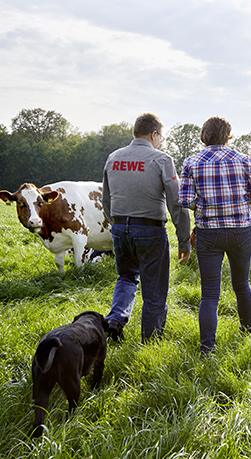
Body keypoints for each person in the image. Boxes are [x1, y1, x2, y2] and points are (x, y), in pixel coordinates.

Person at [102, 113, 191, 343]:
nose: (160, 141)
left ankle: (115, 319)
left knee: (126, 276)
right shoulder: (162, 160)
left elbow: (106, 200)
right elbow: (177, 203)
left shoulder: (113, 158)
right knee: (154, 289)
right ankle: (150, 341)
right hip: (150, 230)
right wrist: (184, 241)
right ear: (154, 134)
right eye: (160, 136)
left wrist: (117, 225)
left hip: (120, 228)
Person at [179, 116, 251, 356]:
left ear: (204, 136)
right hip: (240, 231)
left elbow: (184, 200)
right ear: (228, 136)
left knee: (209, 293)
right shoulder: (244, 160)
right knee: (242, 284)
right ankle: (248, 331)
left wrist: (204, 206)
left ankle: (207, 348)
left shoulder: (192, 162)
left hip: (208, 233)